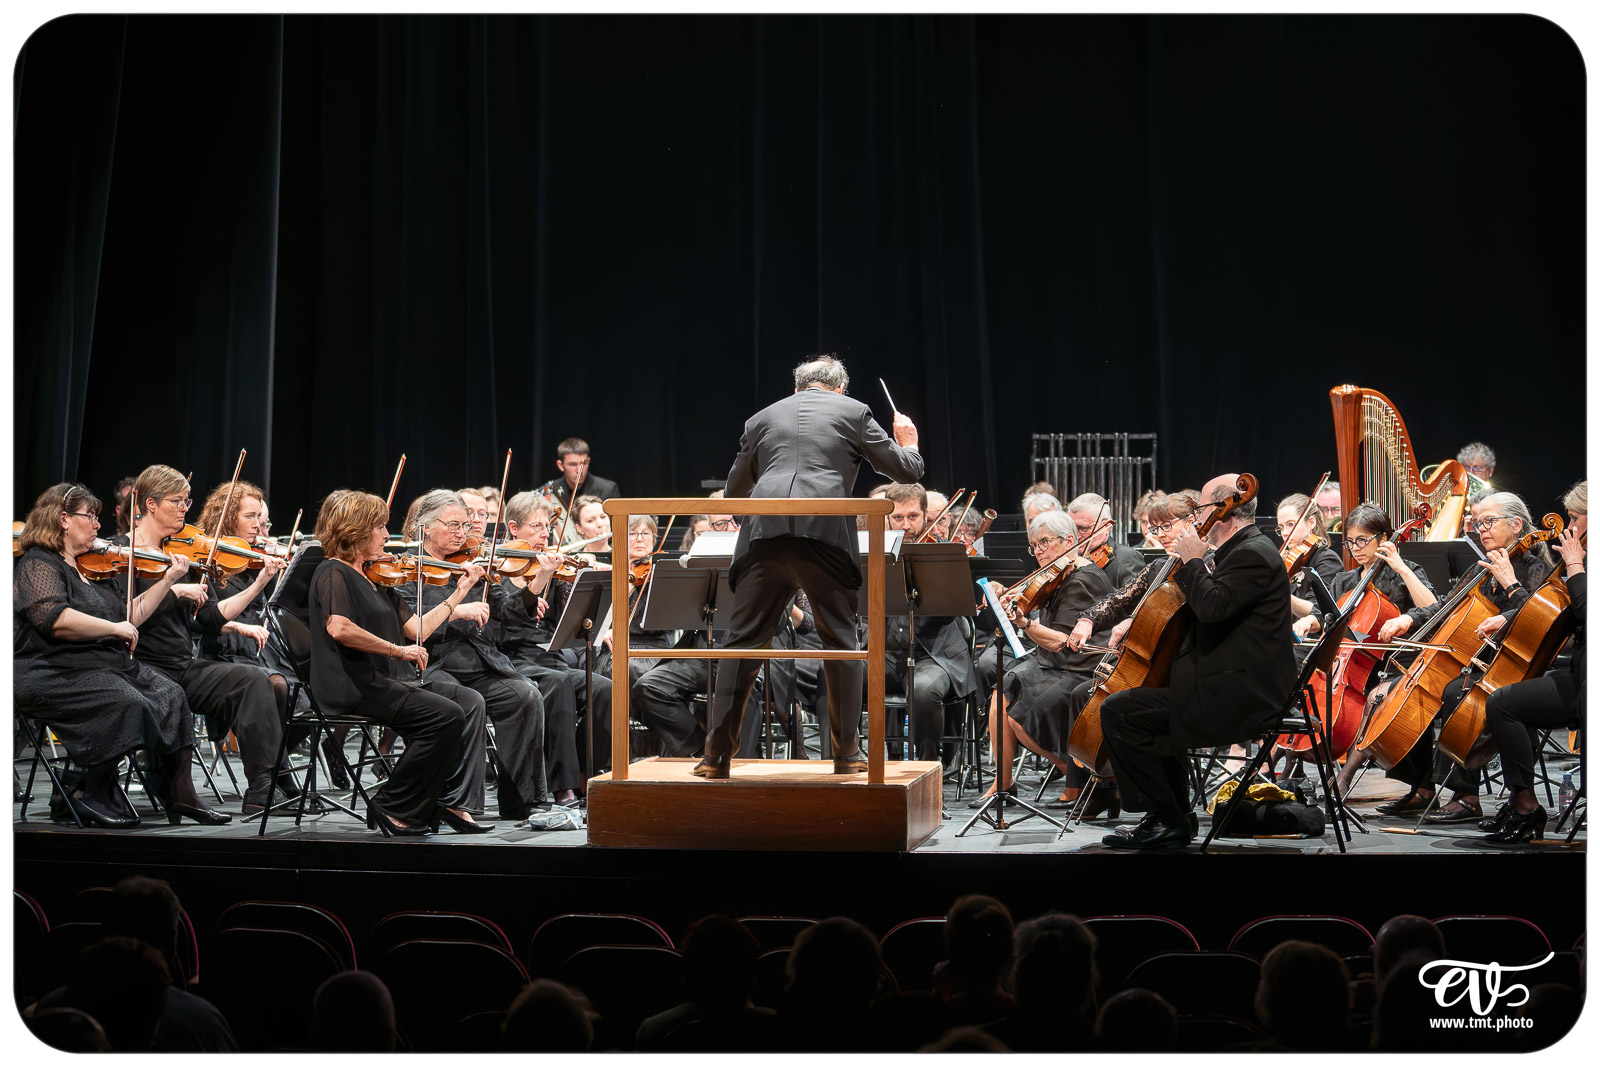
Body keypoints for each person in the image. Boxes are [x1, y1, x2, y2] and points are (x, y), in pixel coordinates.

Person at [697, 354, 923, 778]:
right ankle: (847, 756)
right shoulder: (855, 411)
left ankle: (715, 758)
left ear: (798, 387)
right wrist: (907, 440)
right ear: (840, 388)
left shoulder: (761, 417)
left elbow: (733, 491)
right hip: (824, 537)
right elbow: (907, 472)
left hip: (763, 537)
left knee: (740, 645)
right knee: (841, 644)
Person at [1096, 473, 1297, 849]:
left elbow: (1212, 608)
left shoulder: (1252, 553)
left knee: (1120, 711)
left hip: (1242, 696)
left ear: (1223, 513)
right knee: (1142, 710)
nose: (1199, 517)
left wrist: (1192, 562)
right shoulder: (1242, 551)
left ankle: (1166, 816)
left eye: (1202, 508)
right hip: (1225, 683)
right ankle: (1175, 817)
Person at [12, 483, 224, 827]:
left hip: (98, 665)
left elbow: (129, 615)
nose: (98, 525)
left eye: (97, 517)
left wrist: (168, 579)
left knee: (171, 693)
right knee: (126, 702)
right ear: (64, 520)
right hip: (48, 669)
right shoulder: (39, 563)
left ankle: (181, 792)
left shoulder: (94, 565)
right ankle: (89, 793)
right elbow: (54, 619)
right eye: (90, 517)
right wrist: (112, 629)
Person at [1357, 491, 1553, 823]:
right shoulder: (1482, 568)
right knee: (1401, 689)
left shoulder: (1536, 569)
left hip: (1512, 667)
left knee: (1455, 692)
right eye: (1478, 523)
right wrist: (1411, 618)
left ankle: (1467, 796)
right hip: (1472, 661)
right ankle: (1420, 788)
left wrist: (1509, 590)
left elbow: (1539, 619)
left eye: (1489, 522)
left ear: (1516, 524)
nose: (1481, 529)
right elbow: (1447, 604)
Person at [306, 490, 490, 834]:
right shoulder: (333, 572)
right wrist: (397, 650)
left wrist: (460, 591)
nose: (387, 535)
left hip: (386, 680)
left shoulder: (375, 577)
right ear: (356, 531)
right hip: (353, 684)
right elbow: (339, 627)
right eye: (380, 527)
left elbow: (417, 628)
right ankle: (391, 804)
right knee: (446, 715)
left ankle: (442, 801)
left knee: (465, 702)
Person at [115, 465, 289, 815]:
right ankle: (176, 786)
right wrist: (174, 588)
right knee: (178, 692)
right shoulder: (123, 552)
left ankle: (263, 787)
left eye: (186, 501)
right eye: (177, 501)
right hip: (140, 666)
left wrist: (258, 583)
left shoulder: (181, 552)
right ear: (150, 504)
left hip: (182, 664)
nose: (184, 508)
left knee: (253, 680)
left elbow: (210, 618)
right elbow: (122, 614)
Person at [398, 489, 552, 821]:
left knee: (524, 695)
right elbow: (409, 624)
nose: (462, 533)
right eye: (453, 525)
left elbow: (511, 610)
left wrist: (540, 578)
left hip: (477, 660)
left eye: (465, 526)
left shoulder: (471, 562)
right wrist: (457, 608)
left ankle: (523, 799)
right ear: (425, 526)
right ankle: (459, 803)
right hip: (431, 661)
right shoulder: (407, 566)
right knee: (469, 701)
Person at [967, 510, 1113, 805]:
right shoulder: (1060, 572)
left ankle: (1084, 779)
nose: (1038, 552)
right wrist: (999, 591)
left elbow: (1064, 643)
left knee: (1017, 715)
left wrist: (1025, 623)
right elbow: (1027, 595)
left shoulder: (1082, 581)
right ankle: (1003, 783)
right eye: (1034, 545)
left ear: (1069, 540)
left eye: (1045, 543)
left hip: (1078, 666)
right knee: (999, 696)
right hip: (1050, 662)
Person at [1478, 481, 1585, 842]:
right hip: (1576, 670)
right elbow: (1551, 615)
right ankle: (1520, 802)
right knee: (1511, 699)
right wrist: (1508, 617)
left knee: (1504, 703)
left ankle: (1526, 807)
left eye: (1575, 517)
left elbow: (1585, 614)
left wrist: (1573, 564)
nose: (1569, 526)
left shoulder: (1579, 560)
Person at [194, 481, 313, 787]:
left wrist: (282, 575)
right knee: (275, 685)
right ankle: (279, 780)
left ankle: (272, 766)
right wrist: (260, 581)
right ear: (227, 516)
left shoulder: (255, 557)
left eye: (261, 518)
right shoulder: (207, 561)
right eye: (250, 517)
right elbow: (206, 619)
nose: (259, 526)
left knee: (310, 701)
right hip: (225, 653)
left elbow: (282, 607)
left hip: (262, 652)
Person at [876, 482, 978, 763]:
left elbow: (957, 608)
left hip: (935, 657)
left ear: (924, 516)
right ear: (887, 519)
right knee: (835, 672)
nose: (906, 525)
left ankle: (926, 768)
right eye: (898, 517)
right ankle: (847, 761)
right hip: (884, 654)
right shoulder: (875, 554)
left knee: (923, 689)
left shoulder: (947, 554)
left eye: (913, 517)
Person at [1276, 491, 1344, 619]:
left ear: (1311, 523)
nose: (1285, 533)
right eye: (1281, 527)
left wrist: (1279, 590)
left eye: (1291, 524)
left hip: (1312, 636)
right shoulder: (1287, 559)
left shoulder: (1327, 560)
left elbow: (1319, 610)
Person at [1065, 492, 1145, 588]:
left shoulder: (1128, 559)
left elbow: (1133, 601)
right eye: (1072, 528)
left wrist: (1094, 575)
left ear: (1106, 527)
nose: (1076, 536)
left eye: (1083, 529)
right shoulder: (1068, 558)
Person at [546, 437, 620, 510]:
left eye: (584, 463)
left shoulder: (608, 490)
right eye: (572, 464)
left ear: (588, 461)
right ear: (561, 465)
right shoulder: (549, 491)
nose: (579, 470)